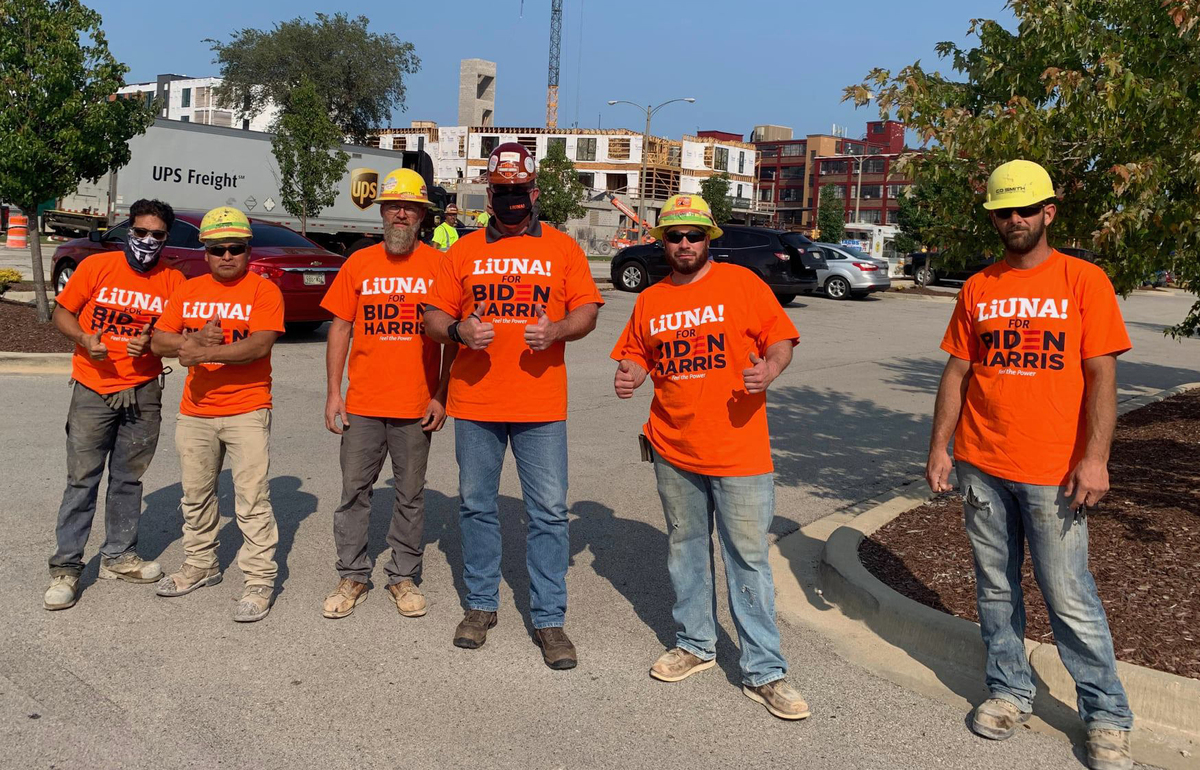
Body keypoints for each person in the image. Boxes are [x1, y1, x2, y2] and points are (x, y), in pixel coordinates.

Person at [926, 160, 1134, 770]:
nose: (1013, 219)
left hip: (1054, 472)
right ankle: (1009, 690)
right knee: (995, 589)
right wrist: (939, 447)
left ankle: (1106, 715)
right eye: (1003, 211)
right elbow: (958, 372)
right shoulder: (978, 287)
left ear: (1048, 212)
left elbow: (1102, 376)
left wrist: (1096, 458)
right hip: (982, 464)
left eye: (1024, 209)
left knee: (1068, 595)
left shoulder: (1083, 280)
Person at [610, 194, 809, 720]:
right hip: (673, 447)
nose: (684, 244)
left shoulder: (742, 284)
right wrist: (631, 374)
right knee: (686, 549)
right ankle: (695, 644)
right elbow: (637, 353)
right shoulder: (650, 299)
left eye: (693, 235)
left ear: (708, 239)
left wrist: (770, 369)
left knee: (748, 559)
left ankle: (764, 670)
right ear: (663, 242)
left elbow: (780, 340)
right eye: (674, 236)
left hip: (739, 450)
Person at [424, 142, 603, 669]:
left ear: (534, 192)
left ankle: (549, 619)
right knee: (476, 506)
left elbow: (588, 310)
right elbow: (432, 316)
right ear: (489, 194)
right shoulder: (462, 250)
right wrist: (458, 331)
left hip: (540, 405)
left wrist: (558, 329)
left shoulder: (562, 248)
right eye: (501, 191)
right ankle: (481, 605)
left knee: (548, 513)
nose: (511, 200)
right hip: (476, 402)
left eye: (519, 191)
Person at [320, 169, 456, 620]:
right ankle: (353, 575)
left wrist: (441, 393)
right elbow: (340, 327)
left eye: (410, 207)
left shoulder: (439, 265)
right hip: (361, 403)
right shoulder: (359, 262)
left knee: (410, 495)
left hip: (415, 404)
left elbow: (451, 338)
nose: (401, 214)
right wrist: (333, 393)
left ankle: (403, 576)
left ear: (422, 215)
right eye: (394, 206)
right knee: (353, 491)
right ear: (381, 212)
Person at [43, 199, 186, 610]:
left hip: (143, 390)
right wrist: (83, 338)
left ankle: (118, 557)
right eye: (140, 232)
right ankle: (66, 568)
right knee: (82, 479)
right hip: (93, 386)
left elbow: (178, 337)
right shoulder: (96, 267)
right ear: (128, 231)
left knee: (128, 478)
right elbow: (62, 313)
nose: (147, 240)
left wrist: (154, 344)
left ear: (166, 238)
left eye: (157, 234)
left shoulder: (174, 281)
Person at [151, 206, 285, 623]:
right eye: (217, 249)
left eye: (235, 248)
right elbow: (158, 341)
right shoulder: (189, 290)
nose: (227, 256)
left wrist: (204, 352)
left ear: (248, 250)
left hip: (247, 409)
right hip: (195, 411)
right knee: (195, 495)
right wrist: (190, 340)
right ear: (205, 251)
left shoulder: (263, 291)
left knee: (252, 500)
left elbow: (259, 345)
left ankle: (259, 580)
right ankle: (200, 564)